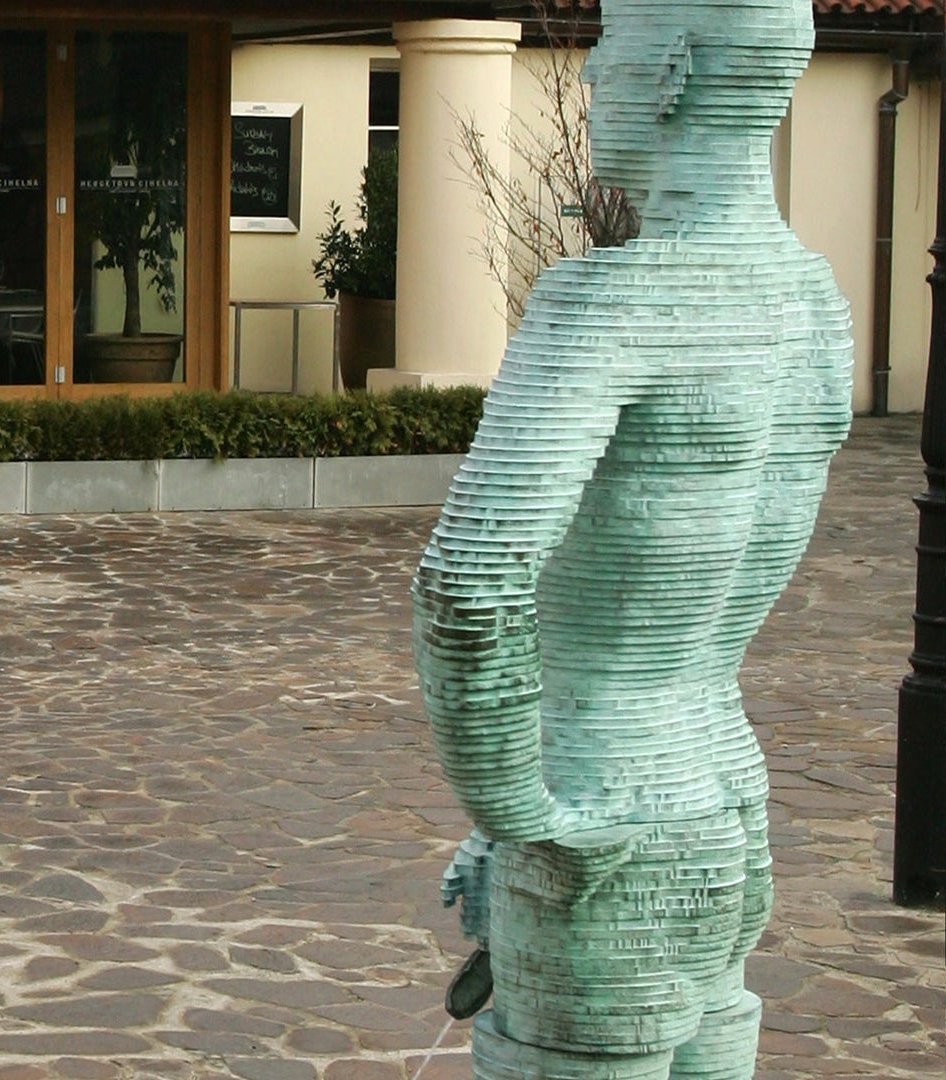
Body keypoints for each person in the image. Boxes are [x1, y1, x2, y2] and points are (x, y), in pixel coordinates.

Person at [412, 2, 851, 1078]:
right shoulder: (813, 302)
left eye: (608, 61)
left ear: (674, 73)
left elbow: (469, 585)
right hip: (727, 801)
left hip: (600, 817)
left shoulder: (611, 303)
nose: (593, 84)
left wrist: (518, 811)